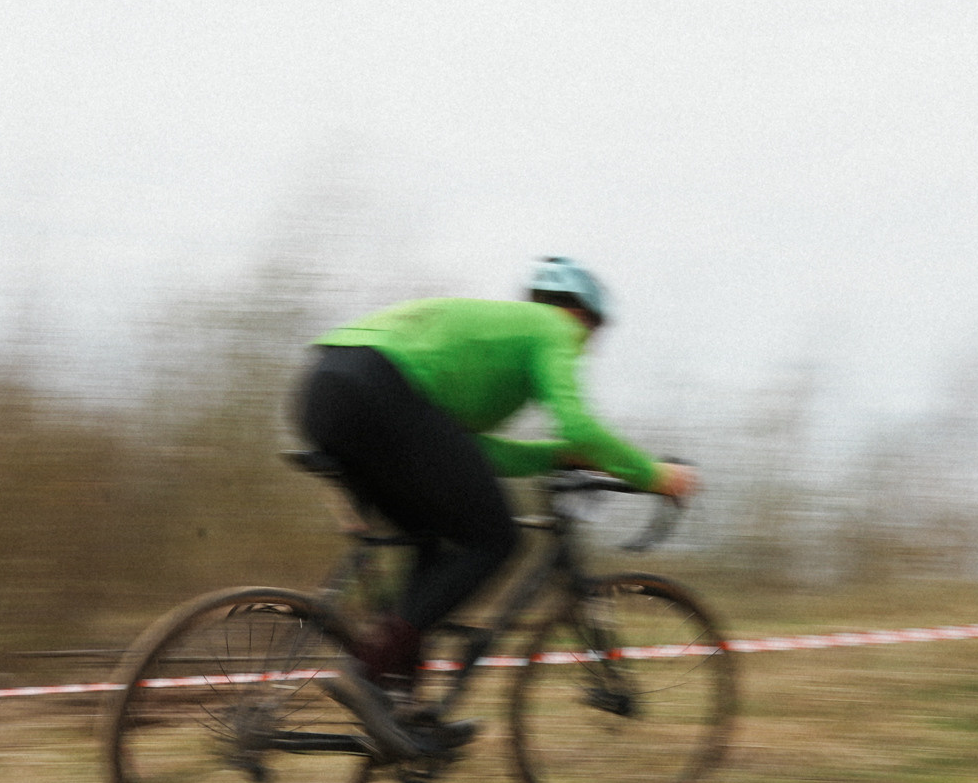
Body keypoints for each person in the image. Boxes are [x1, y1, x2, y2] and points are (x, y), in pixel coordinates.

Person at [296, 257, 698, 692]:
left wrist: (557, 457)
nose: (587, 346)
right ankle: (368, 672)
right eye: (593, 333)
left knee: (431, 536)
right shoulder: (555, 328)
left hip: (323, 392)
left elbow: (468, 453)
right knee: (495, 539)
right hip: (379, 392)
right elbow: (579, 427)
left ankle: (395, 704)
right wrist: (653, 475)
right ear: (581, 314)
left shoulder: (498, 340)